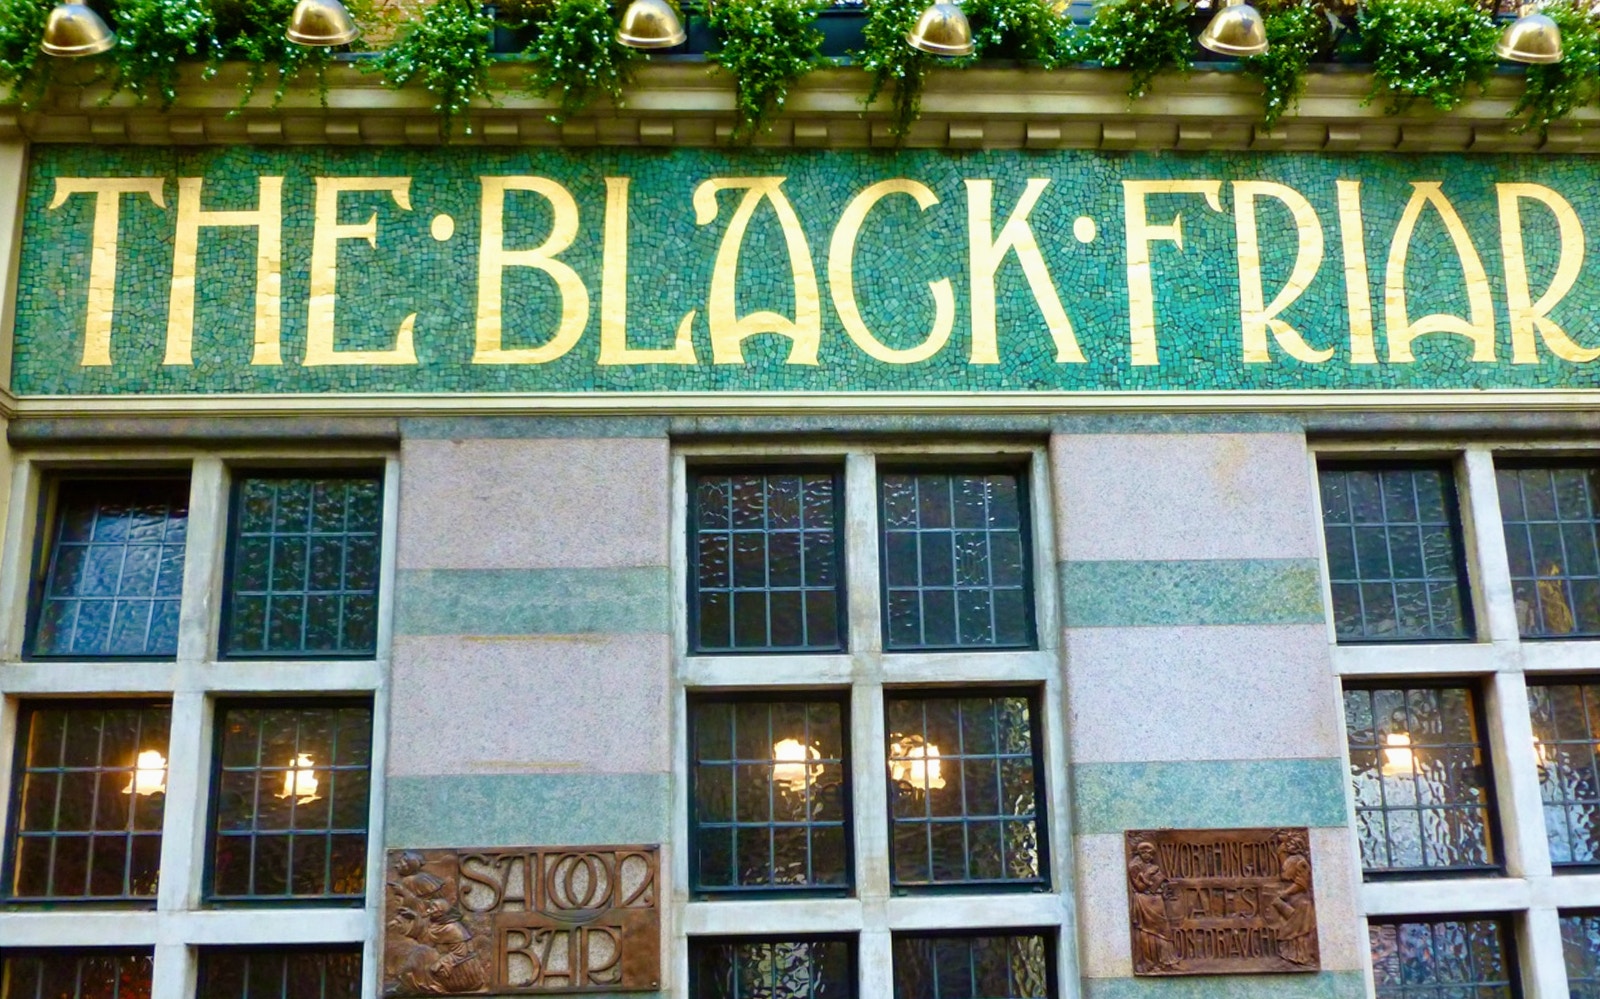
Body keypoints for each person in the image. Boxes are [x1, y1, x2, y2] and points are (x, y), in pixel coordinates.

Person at [1127, 840, 1180, 971]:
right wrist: (1149, 875)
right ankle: (1150, 963)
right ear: (1140, 853)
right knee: (1147, 931)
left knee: (1165, 929)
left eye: (1151, 854)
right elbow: (1139, 887)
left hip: (1157, 899)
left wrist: (1163, 884)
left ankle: (1168, 961)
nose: (1149, 856)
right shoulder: (1135, 866)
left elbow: (1159, 881)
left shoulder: (1151, 865)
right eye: (1146, 853)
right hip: (1145, 901)